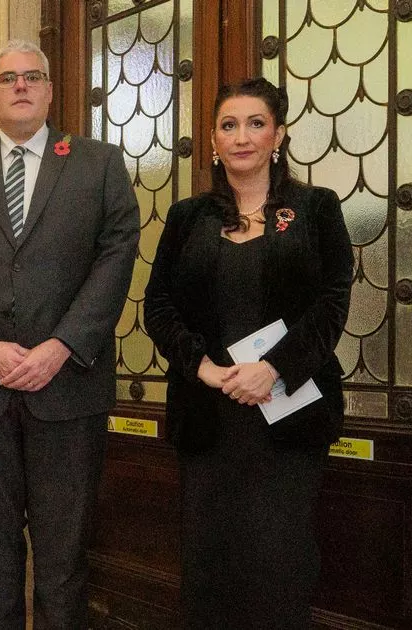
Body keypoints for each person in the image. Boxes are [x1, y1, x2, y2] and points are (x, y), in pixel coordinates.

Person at [0, 39, 140, 628]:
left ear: (48, 90)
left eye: (32, 76)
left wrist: (61, 346)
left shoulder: (99, 163)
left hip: (68, 390)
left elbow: (116, 257)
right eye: (7, 78)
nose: (20, 86)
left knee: (64, 560)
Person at [144, 77, 352, 628]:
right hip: (208, 419)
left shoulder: (315, 209)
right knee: (209, 566)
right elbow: (158, 306)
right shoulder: (188, 217)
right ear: (212, 140)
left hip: (287, 416)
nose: (242, 137)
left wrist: (275, 368)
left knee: (278, 564)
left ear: (278, 135)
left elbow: (332, 304)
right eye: (228, 125)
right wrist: (204, 368)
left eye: (255, 124)